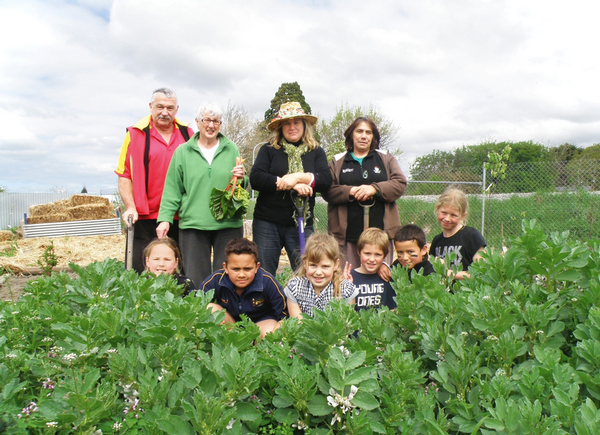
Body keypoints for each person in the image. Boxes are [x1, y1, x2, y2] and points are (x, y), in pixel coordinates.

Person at [156, 102, 246, 285]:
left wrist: (243, 177)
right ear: (197, 122)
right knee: (195, 279)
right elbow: (173, 188)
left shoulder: (231, 149)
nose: (211, 125)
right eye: (207, 120)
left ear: (220, 124)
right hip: (193, 225)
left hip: (227, 224)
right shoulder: (182, 152)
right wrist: (164, 218)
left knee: (228, 277)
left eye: (216, 121)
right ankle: (198, 313)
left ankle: (226, 312)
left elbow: (241, 186)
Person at [115, 88, 194, 273]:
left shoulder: (188, 134)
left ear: (177, 109)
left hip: (179, 215)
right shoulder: (135, 134)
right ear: (151, 107)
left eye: (170, 108)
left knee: (179, 271)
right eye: (160, 107)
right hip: (145, 215)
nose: (165, 112)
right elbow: (124, 175)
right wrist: (130, 207)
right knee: (141, 268)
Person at [250, 102, 332, 275]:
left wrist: (299, 177)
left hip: (301, 222)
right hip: (268, 224)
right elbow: (256, 178)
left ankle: (301, 303)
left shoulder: (315, 151)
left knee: (306, 271)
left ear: (304, 125)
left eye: (296, 122)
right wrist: (291, 184)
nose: (292, 127)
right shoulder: (269, 150)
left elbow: (325, 180)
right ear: (280, 127)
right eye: (287, 123)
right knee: (264, 273)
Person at [323, 116, 407, 269]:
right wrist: (351, 191)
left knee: (381, 280)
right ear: (351, 135)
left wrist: (375, 189)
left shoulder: (385, 158)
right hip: (347, 236)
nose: (363, 136)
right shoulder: (337, 161)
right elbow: (327, 190)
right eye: (359, 131)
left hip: (381, 235)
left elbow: (399, 183)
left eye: (368, 132)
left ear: (373, 136)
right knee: (349, 278)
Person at [199, 238, 286, 339]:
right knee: (209, 308)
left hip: (261, 324)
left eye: (247, 269)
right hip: (231, 325)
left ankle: (260, 350)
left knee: (269, 332)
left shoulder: (267, 282)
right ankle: (229, 346)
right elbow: (197, 302)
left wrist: (276, 334)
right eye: (235, 269)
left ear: (257, 267)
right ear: (225, 267)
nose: (241, 274)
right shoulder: (217, 279)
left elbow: (285, 315)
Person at [284, 233, 357, 319]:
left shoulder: (346, 290)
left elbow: (344, 327)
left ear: (336, 265)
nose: (318, 272)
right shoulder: (295, 288)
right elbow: (297, 322)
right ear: (305, 263)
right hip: (304, 331)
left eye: (325, 266)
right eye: (313, 265)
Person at [429, 188, 486, 280]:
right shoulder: (437, 241)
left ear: (463, 216)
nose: (447, 219)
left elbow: (481, 272)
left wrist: (448, 273)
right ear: (437, 209)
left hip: (467, 292)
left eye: (453, 215)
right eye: (444, 213)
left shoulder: (472, 236)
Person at [350, 228, 397, 311]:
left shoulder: (387, 277)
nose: (372, 259)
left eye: (377, 255)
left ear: (385, 255)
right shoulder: (350, 277)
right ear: (359, 252)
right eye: (367, 254)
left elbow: (393, 308)